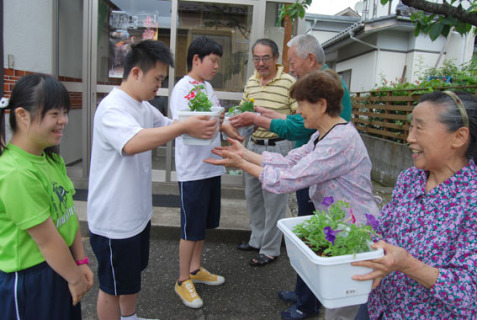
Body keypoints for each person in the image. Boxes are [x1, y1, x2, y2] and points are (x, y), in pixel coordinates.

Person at [206, 69, 380, 320]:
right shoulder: (324, 134)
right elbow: (289, 162)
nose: (297, 111)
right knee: (337, 302)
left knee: (345, 308)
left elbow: (289, 179)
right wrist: (243, 154)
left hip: (355, 232)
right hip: (341, 228)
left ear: (321, 105)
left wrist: (241, 164)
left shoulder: (339, 140)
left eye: (301, 104)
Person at [87, 40, 218, 320]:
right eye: (157, 78)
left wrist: (202, 124)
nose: (159, 85)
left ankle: (130, 317)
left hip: (136, 214)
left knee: (130, 277)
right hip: (113, 221)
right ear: (136, 73)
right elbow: (133, 142)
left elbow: (168, 125)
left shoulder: (143, 106)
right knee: (111, 287)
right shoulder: (112, 108)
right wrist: (184, 126)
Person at [229, 33, 353, 320]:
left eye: (292, 61)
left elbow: (294, 136)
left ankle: (308, 303)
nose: (290, 67)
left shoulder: (333, 130)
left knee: (317, 241)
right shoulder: (320, 129)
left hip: (332, 195)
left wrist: (244, 155)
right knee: (309, 236)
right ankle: (303, 293)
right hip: (314, 179)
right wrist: (246, 153)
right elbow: (291, 149)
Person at [352, 91, 477, 320]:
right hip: (377, 305)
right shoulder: (410, 178)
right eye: (410, 127)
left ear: (459, 137)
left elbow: (469, 293)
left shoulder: (471, 200)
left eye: (419, 128)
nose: (409, 138)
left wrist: (406, 264)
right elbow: (384, 229)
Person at [0, 74, 94, 319]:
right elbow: (46, 241)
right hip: (31, 279)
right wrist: (74, 277)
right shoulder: (15, 172)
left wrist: (80, 261)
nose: (63, 121)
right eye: (54, 114)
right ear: (22, 115)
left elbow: (68, 214)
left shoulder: (51, 158)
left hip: (61, 266)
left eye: (65, 112)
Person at [170, 36, 232, 309]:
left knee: (203, 225)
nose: (216, 66)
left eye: (218, 61)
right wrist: (216, 121)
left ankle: (195, 269)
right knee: (189, 228)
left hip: (210, 168)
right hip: (192, 170)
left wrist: (233, 133)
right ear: (196, 59)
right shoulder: (183, 88)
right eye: (213, 61)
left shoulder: (206, 87)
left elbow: (219, 119)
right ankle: (183, 280)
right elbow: (189, 125)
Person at [229, 38, 297, 267]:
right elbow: (243, 107)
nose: (260, 63)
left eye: (265, 58)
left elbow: (299, 117)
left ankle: (270, 249)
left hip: (278, 147)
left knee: (275, 201)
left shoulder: (289, 82)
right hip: (253, 144)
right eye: (256, 58)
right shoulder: (251, 82)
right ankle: (257, 239)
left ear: (276, 59)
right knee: (254, 198)